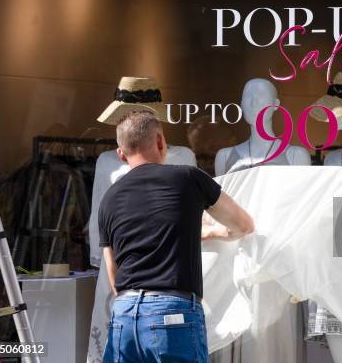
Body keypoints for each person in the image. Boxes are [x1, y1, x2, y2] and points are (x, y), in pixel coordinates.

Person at [99, 111, 255, 363]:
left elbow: (114, 275)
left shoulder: (109, 199)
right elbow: (244, 224)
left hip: (124, 316)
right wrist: (215, 232)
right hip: (171, 313)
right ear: (161, 142)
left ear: (121, 154)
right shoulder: (187, 178)